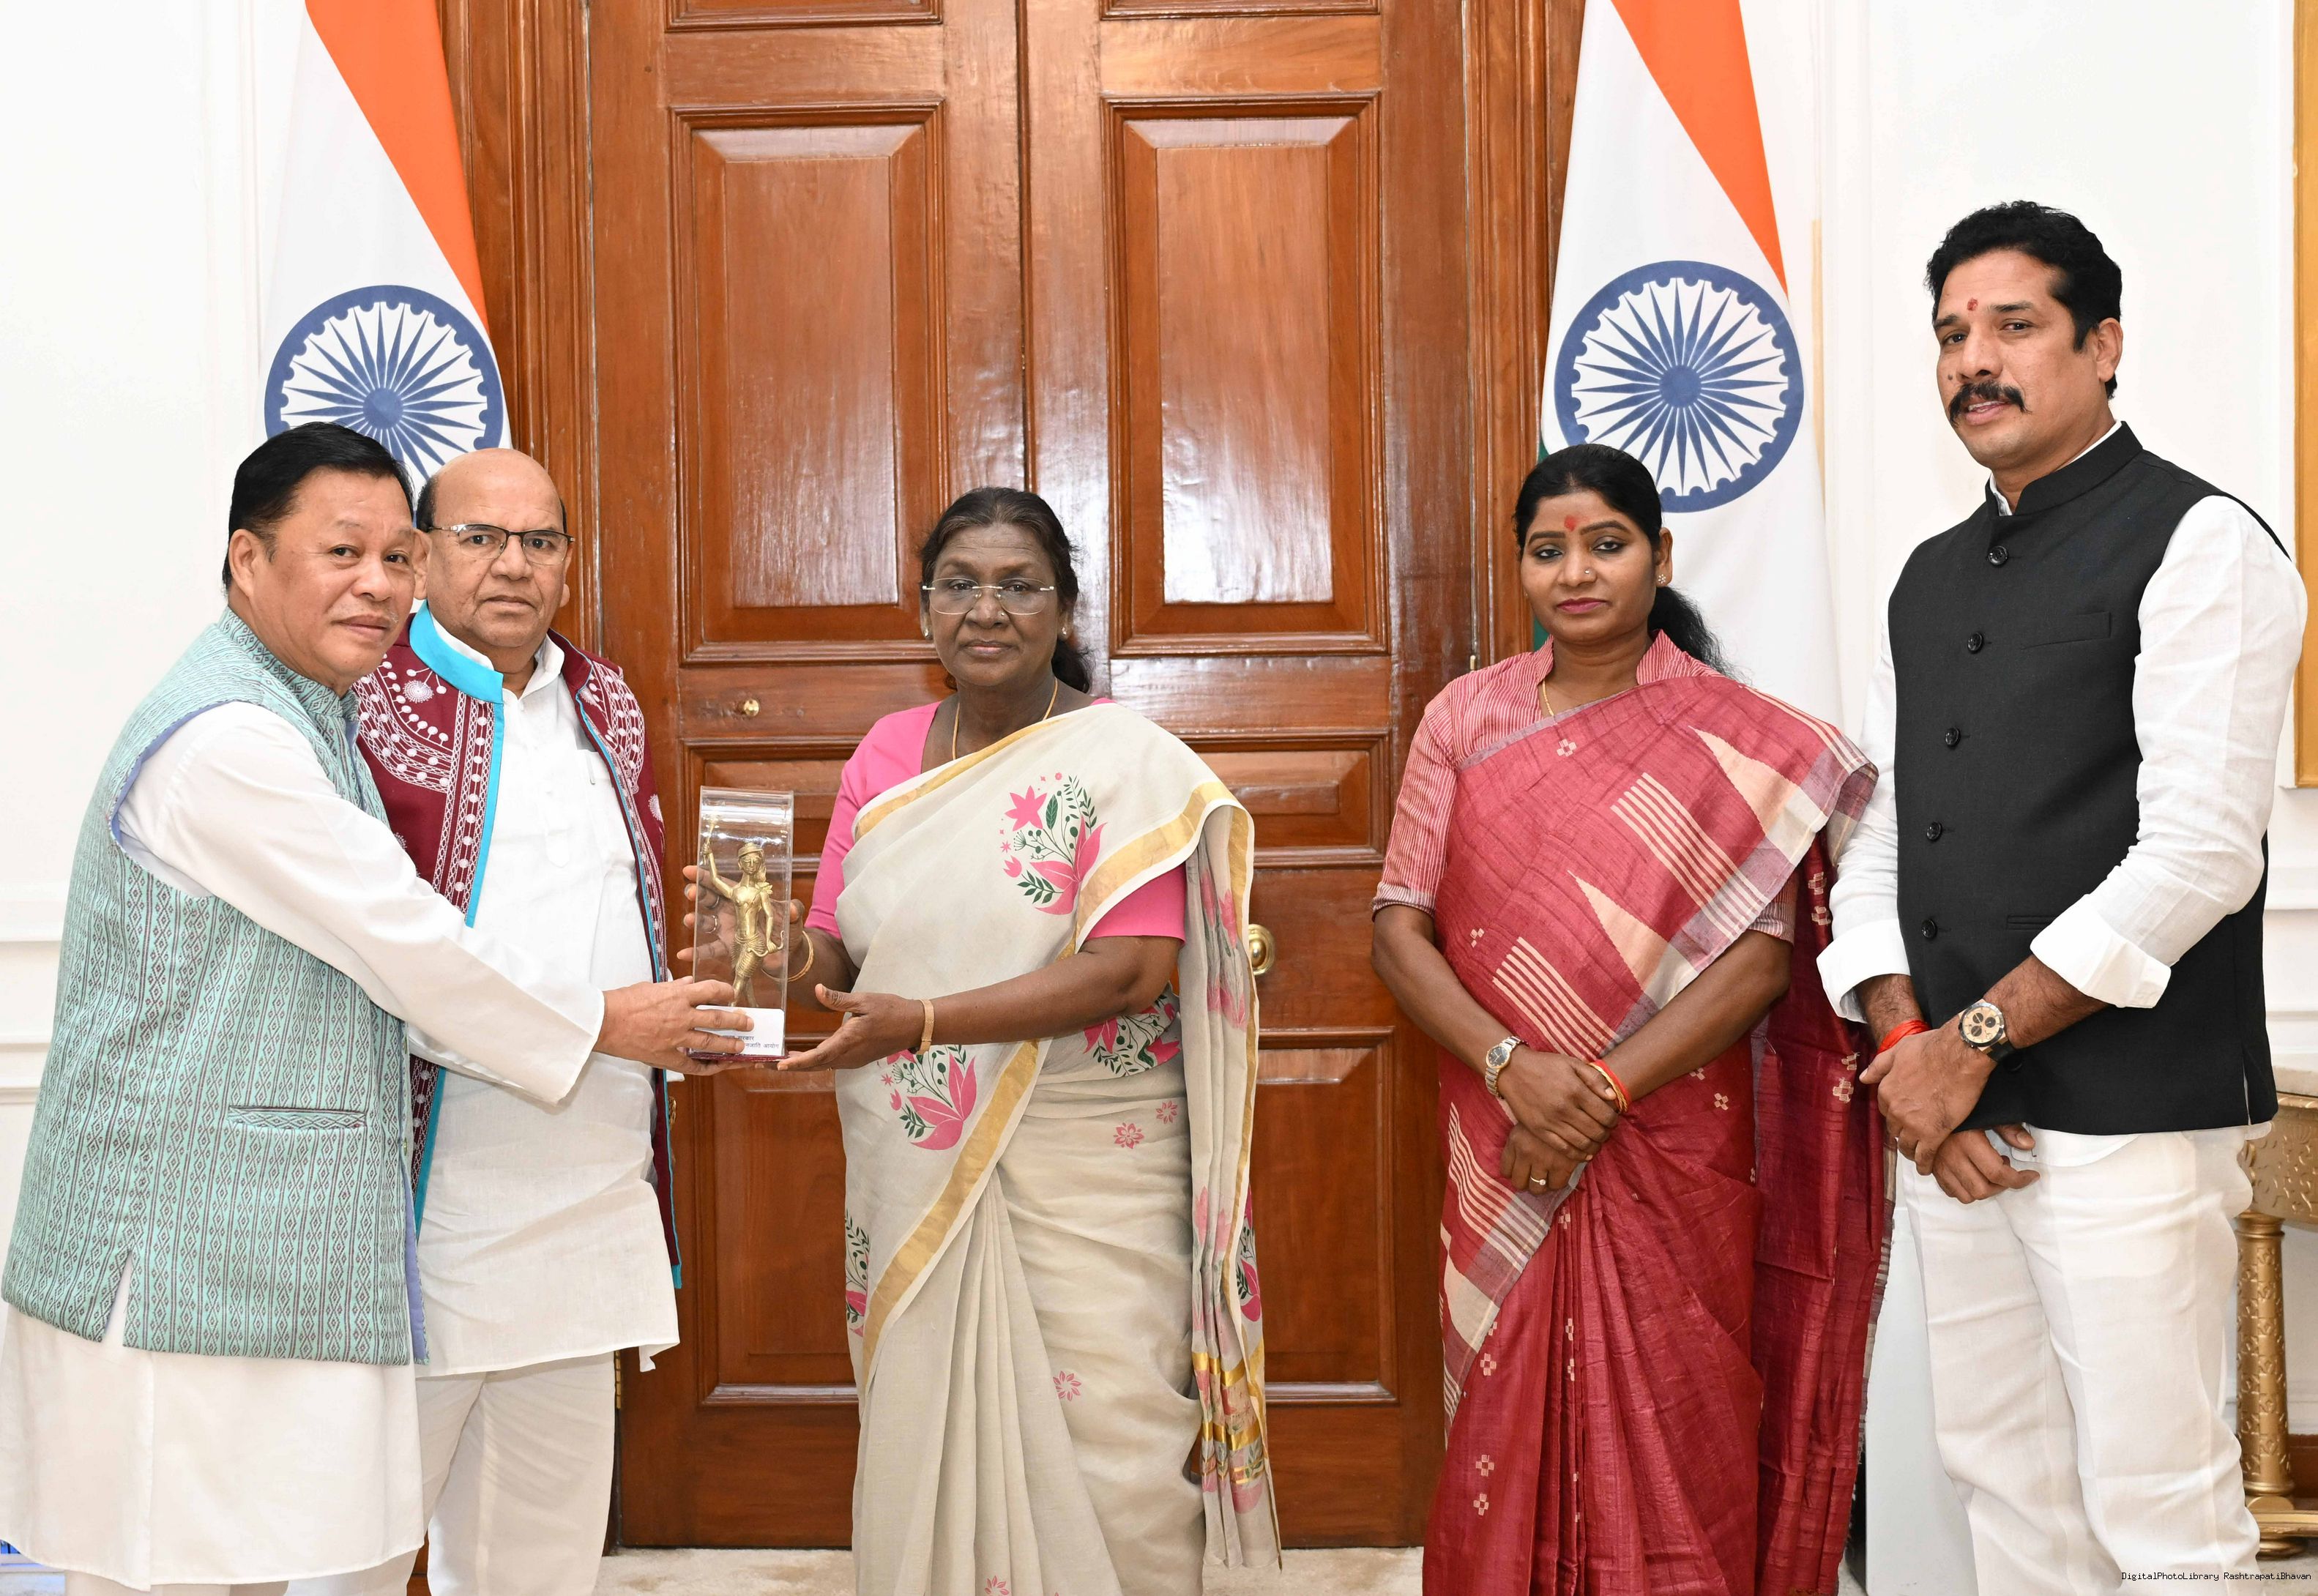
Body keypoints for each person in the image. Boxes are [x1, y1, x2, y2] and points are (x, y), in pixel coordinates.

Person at [0, 423, 745, 1596]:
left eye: (395, 557)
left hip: (268, 1238)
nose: (379, 584)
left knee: (258, 1557)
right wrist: (606, 1024)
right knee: (182, 1568)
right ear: (248, 559)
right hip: (182, 1242)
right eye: (343, 552)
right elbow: (406, 943)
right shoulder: (232, 741)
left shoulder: (315, 711)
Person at [1825, 201, 2306, 1591]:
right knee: (2002, 1477)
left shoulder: (2201, 541)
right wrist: (1910, 1047)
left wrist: (1970, 1045)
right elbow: (1884, 839)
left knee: (2158, 1512)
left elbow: (2199, 854)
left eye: (2013, 326)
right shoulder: (1925, 577)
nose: (1972, 360)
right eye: (1949, 334)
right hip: (1957, 1117)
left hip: (2127, 1115)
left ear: (2103, 345)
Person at [719, 486, 1278, 1595]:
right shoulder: (888, 753)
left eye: (1018, 585)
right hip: (921, 1146)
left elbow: (1130, 971)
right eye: (959, 585)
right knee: (929, 1418)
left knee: (1113, 1437)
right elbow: (840, 949)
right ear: (924, 609)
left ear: (1065, 608)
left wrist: (924, 1022)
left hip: (1090, 1150)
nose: (986, 609)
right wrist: (766, 949)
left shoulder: (1125, 760)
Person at [1372, 444, 1885, 1595]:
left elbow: (1759, 965)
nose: (1575, 573)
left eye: (1605, 545)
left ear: (1660, 554)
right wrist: (1512, 1069)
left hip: (1669, 1130)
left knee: (1678, 1405)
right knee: (1499, 1400)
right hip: (1501, 1127)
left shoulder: (1743, 741)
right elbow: (1398, 927)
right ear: (1519, 567)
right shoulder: (1464, 717)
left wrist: (1596, 1091)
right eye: (1545, 550)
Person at [286, 449, 689, 1596]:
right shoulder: (355, 703)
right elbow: (393, 956)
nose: (514, 565)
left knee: (540, 1558)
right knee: (352, 1553)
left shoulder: (604, 699)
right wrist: (605, 1022)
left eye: (540, 541)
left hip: (588, 1194)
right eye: (480, 538)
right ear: (419, 557)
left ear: (568, 560)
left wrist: (689, 1009)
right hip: (424, 1206)